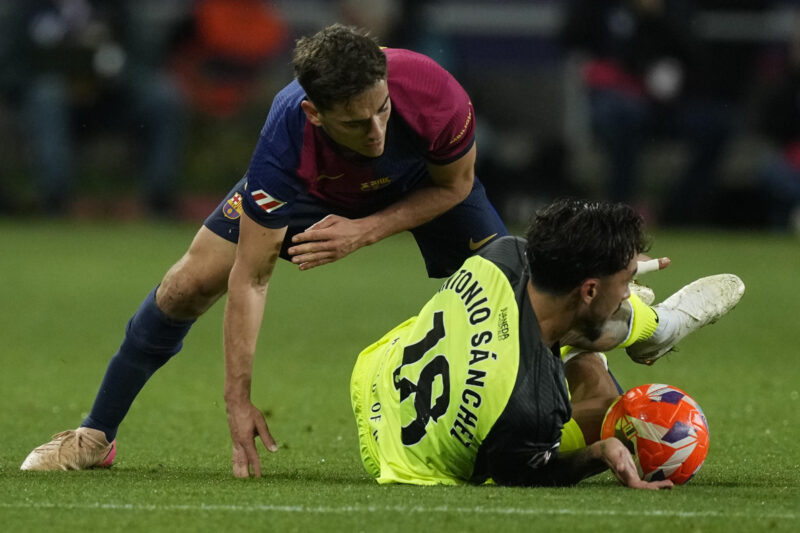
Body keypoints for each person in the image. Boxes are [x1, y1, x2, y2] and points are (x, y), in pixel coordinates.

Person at [20, 23, 508, 476]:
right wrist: (238, 399)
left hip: (426, 184)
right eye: (356, 123)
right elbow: (251, 278)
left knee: (511, 286)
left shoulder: (433, 91)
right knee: (184, 286)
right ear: (314, 113)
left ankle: (560, 414)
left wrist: (365, 230)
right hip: (316, 192)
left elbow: (456, 185)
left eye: (382, 111)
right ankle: (95, 433)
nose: (376, 133)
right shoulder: (284, 138)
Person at [351, 199, 744, 488]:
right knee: (616, 408)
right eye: (625, 284)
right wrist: (599, 453)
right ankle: (654, 329)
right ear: (590, 288)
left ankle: (657, 328)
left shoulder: (505, 253)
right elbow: (522, 474)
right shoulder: (533, 406)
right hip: (406, 459)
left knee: (573, 322)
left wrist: (611, 264)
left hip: (378, 374)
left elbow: (569, 281)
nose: (628, 293)